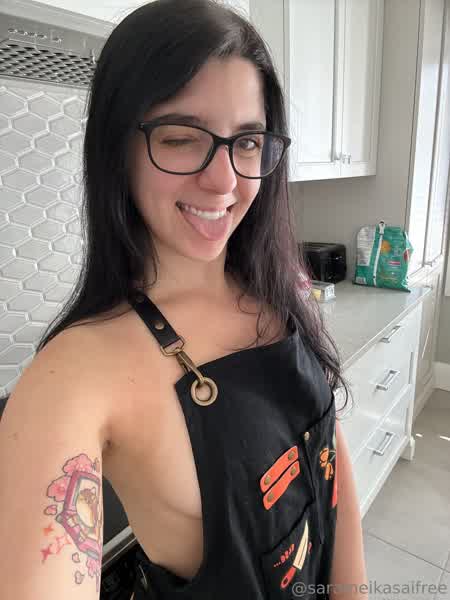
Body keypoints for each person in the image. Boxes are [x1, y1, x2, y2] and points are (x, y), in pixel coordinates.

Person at [0, 1, 368, 598]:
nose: (225, 181)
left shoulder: (276, 292)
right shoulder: (72, 379)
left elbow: (329, 464)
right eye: (180, 138)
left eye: (247, 142)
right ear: (116, 148)